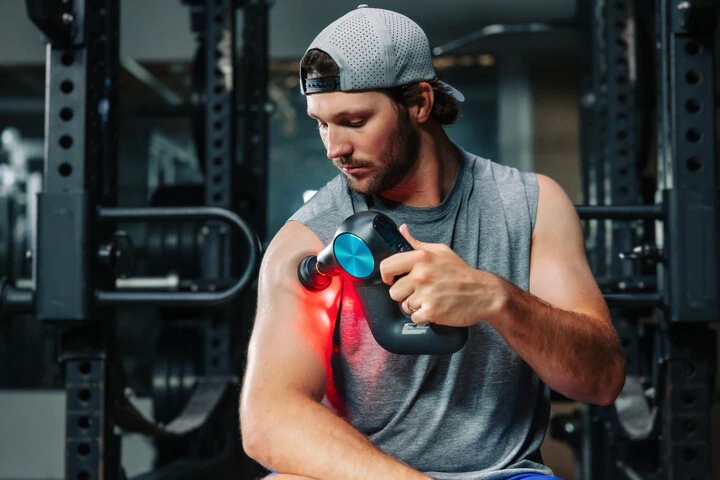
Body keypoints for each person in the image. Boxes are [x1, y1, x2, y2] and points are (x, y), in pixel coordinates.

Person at [240, 5, 625, 480]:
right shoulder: (308, 239)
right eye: (321, 123)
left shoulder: (531, 205)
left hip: (501, 474)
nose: (333, 148)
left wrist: (498, 299)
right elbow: (269, 419)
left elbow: (602, 381)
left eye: (354, 121)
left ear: (420, 103)